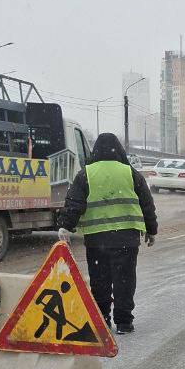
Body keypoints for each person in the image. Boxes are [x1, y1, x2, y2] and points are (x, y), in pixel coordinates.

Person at [56, 132, 157, 335]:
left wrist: (66, 225)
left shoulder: (86, 173)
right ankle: (124, 322)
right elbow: (146, 203)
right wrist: (151, 230)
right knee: (125, 281)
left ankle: (102, 320)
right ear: (119, 150)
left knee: (100, 281)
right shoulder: (130, 173)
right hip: (126, 240)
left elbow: (74, 203)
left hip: (97, 240)